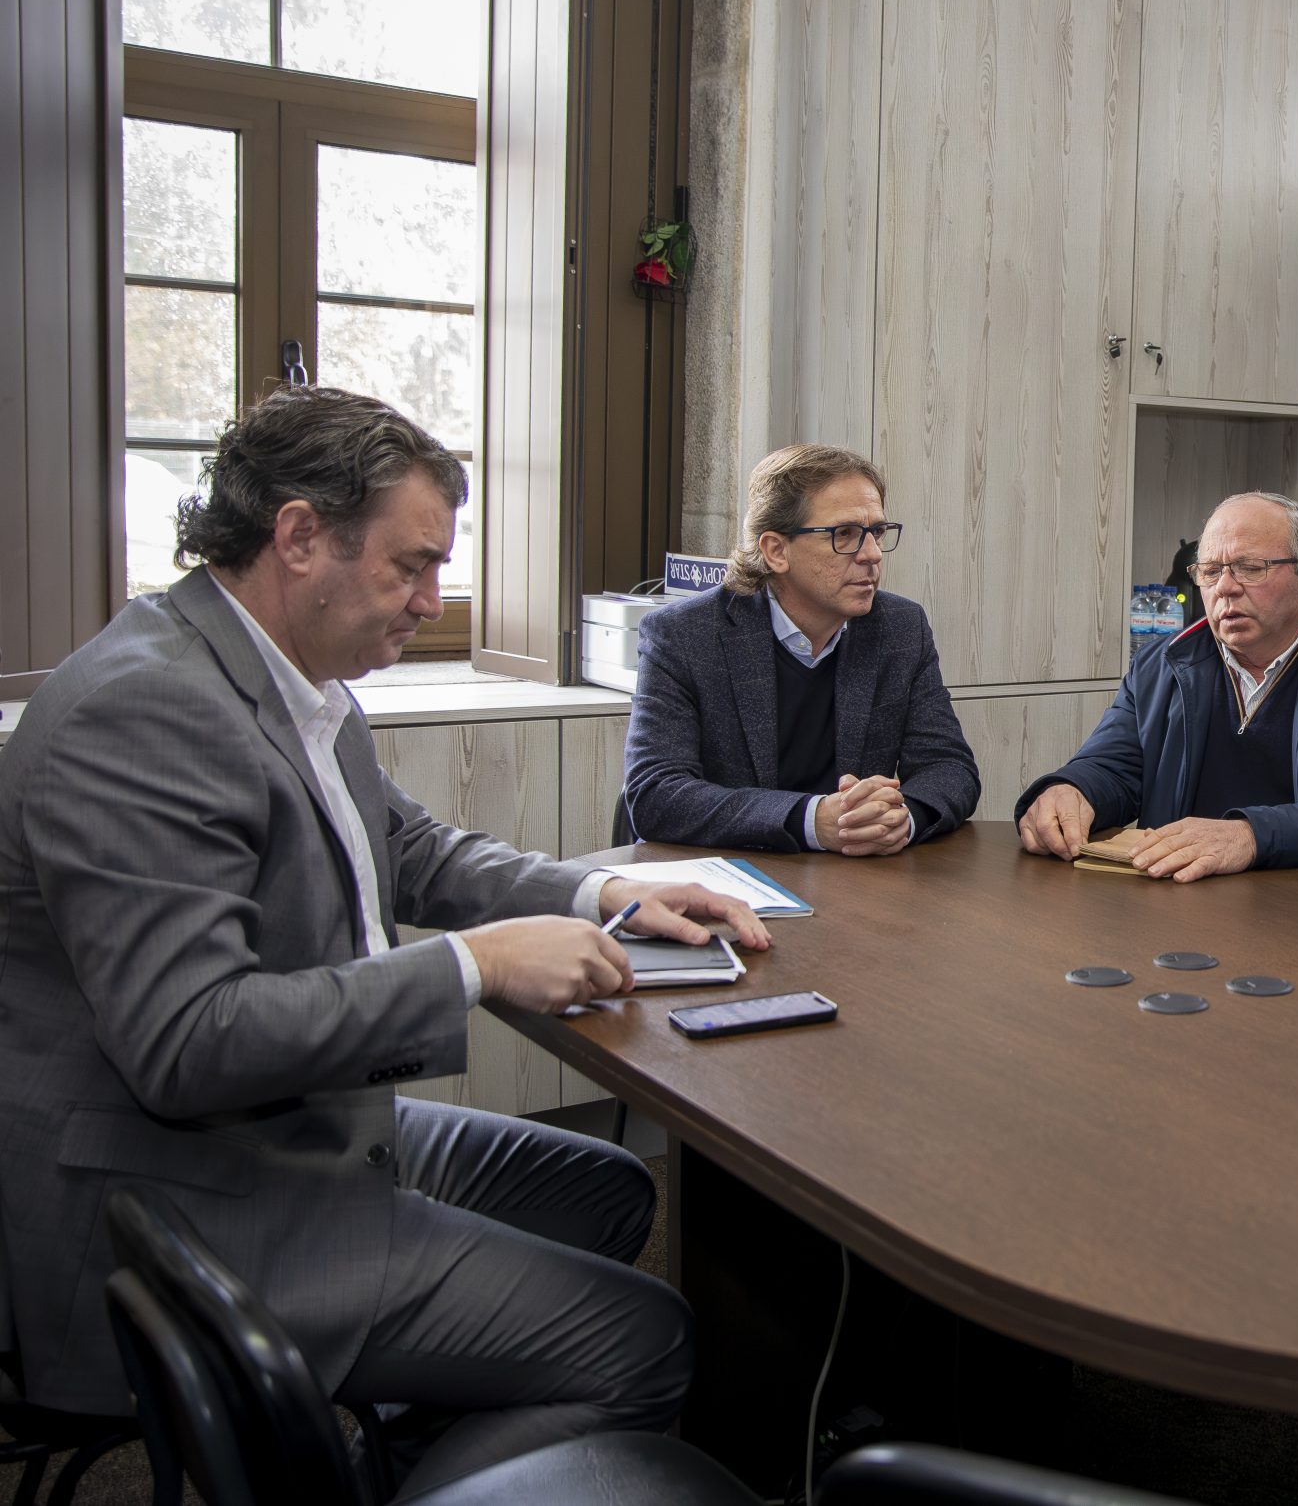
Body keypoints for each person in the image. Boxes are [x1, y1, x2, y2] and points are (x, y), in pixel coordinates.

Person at [0, 387, 773, 1498]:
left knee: (602, 1192)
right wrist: (477, 965)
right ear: (301, 534)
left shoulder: (286, 676)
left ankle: (420, 1441)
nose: (430, 598)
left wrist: (607, 888)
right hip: (173, 1199)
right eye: (410, 567)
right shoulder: (150, 710)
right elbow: (186, 1042)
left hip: (269, 1138)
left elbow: (411, 852)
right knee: (643, 1338)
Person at [1016, 492, 1298, 879]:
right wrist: (1072, 789)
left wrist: (1250, 836)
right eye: (1210, 572)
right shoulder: (1162, 663)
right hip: (1177, 896)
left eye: (1250, 568)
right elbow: (1115, 767)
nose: (1225, 588)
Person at [624, 444, 979, 855]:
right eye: (844, 534)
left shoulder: (900, 628)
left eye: (877, 532)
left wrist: (902, 818)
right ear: (776, 551)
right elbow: (656, 794)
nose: (872, 555)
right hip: (728, 879)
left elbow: (950, 768)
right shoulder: (684, 636)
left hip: (857, 885)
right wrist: (813, 819)